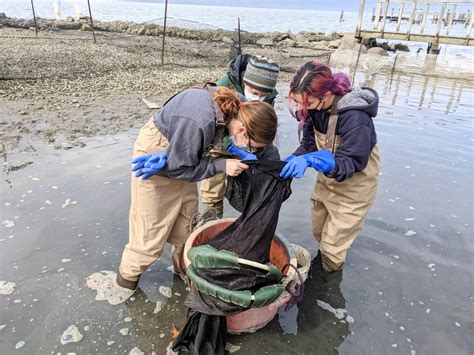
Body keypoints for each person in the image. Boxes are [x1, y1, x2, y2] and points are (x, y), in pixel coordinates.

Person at [115, 84, 278, 292]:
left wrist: (277, 169)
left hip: (188, 152)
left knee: (186, 225)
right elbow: (178, 168)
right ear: (241, 130)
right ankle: (125, 285)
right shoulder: (201, 120)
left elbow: (262, 147)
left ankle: (183, 276)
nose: (250, 150)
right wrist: (222, 165)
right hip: (159, 151)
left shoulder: (242, 108)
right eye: (251, 146)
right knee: (149, 237)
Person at [280, 60, 380, 272]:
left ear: (326, 96)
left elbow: (351, 163)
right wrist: (293, 159)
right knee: (319, 232)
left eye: (305, 104)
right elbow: (307, 144)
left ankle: (327, 281)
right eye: (298, 103)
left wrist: (311, 160)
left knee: (332, 248)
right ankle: (323, 261)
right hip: (326, 182)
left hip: (354, 190)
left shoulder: (356, 117)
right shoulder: (314, 111)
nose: (300, 109)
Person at [200, 54, 280, 218]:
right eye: (254, 92)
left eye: (263, 94)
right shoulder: (224, 87)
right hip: (218, 138)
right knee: (213, 186)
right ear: (245, 83)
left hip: (245, 137)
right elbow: (211, 125)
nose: (258, 97)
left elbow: (264, 124)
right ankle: (211, 217)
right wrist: (228, 146)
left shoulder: (269, 96)